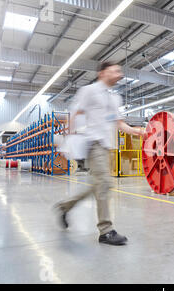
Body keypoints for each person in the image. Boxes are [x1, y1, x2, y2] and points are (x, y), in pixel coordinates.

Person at [54, 61, 145, 246]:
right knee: (105, 182)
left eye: (120, 71)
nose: (119, 73)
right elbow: (75, 113)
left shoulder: (114, 99)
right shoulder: (89, 91)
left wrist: (138, 131)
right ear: (102, 73)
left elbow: (118, 123)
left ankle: (65, 206)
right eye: (115, 70)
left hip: (106, 147)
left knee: (98, 184)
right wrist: (68, 142)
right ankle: (106, 230)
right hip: (93, 144)